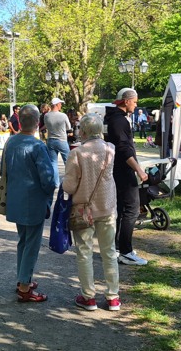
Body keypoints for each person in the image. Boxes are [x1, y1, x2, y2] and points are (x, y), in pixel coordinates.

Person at [63, 113, 120, 311]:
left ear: (84, 131)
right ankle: (113, 296)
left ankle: (89, 297)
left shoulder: (77, 153)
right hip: (107, 205)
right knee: (109, 251)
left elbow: (69, 187)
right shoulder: (110, 149)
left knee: (84, 252)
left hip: (83, 208)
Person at [2, 105, 55, 302]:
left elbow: (3, 172)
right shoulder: (37, 146)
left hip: (15, 197)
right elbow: (48, 179)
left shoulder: (11, 142)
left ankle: (22, 278)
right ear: (37, 122)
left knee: (23, 241)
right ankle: (24, 285)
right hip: (33, 199)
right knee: (31, 243)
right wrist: (50, 192)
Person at [105, 88, 149, 266]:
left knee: (122, 210)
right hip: (123, 170)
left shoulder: (114, 118)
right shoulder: (119, 120)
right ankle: (125, 251)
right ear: (126, 101)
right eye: (135, 101)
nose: (136, 105)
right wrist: (138, 169)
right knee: (131, 209)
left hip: (118, 169)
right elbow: (123, 149)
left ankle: (117, 247)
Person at [44, 98, 72, 186]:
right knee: (68, 162)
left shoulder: (46, 116)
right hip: (62, 140)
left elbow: (46, 126)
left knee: (53, 162)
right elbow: (68, 127)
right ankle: (70, 182)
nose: (61, 105)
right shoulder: (63, 115)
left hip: (51, 139)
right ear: (56, 105)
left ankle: (56, 183)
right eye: (60, 104)